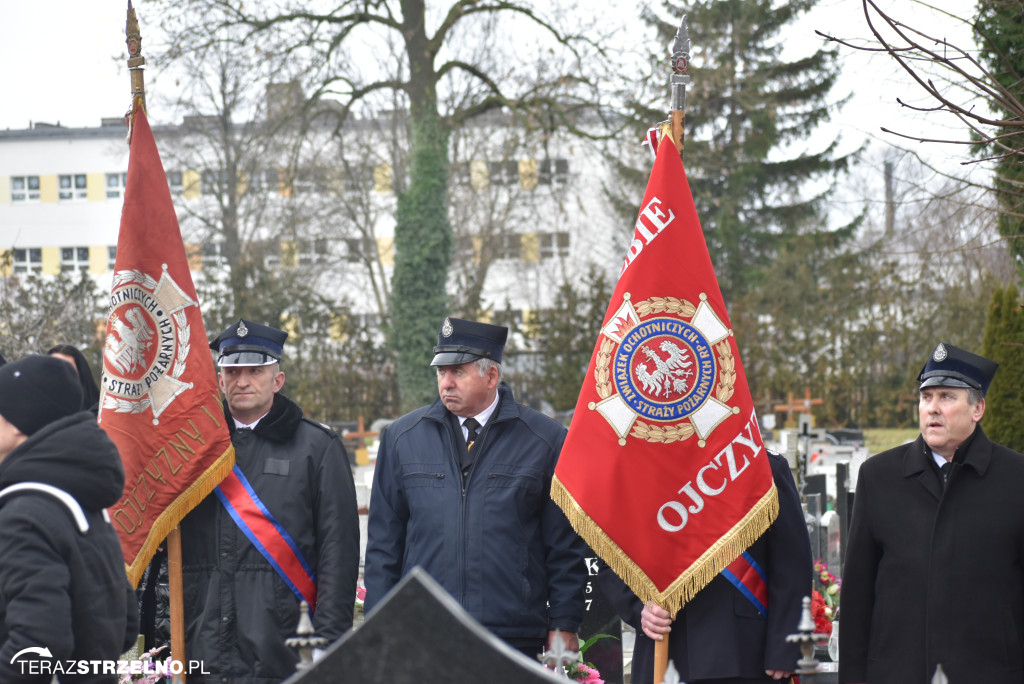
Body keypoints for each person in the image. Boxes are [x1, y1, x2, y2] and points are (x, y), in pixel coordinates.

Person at [364, 317, 588, 658]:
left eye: (458, 372)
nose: (447, 383)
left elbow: (564, 546)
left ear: (491, 376)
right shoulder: (402, 439)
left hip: (511, 633)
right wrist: (378, 624)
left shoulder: (545, 440)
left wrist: (564, 623)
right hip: (423, 631)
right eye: (441, 372)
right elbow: (384, 545)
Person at [178, 319, 360, 683]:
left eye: (255, 371)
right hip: (203, 643)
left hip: (285, 644)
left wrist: (328, 639)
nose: (242, 381)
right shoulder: (190, 448)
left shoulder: (318, 448)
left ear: (277, 380)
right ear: (219, 379)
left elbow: (338, 553)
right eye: (232, 371)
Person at [840, 342, 1023, 683]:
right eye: (926, 397)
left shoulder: (1016, 478)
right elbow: (857, 597)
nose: (932, 409)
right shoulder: (879, 476)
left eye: (946, 397)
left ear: (977, 408)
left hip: (989, 671)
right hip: (898, 671)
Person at [596, 450, 812, 684]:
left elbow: (791, 564)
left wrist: (786, 644)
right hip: (666, 646)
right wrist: (639, 608)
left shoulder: (760, 463)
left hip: (743, 652)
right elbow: (611, 555)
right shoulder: (637, 471)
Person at [0, 355, 138, 681]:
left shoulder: (24, 515)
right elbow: (125, 624)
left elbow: (39, 644)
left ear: (19, 421)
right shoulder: (80, 499)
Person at [47, 344, 102, 414]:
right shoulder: (34, 416)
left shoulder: (100, 417)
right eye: (54, 370)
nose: (60, 377)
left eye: (68, 370)